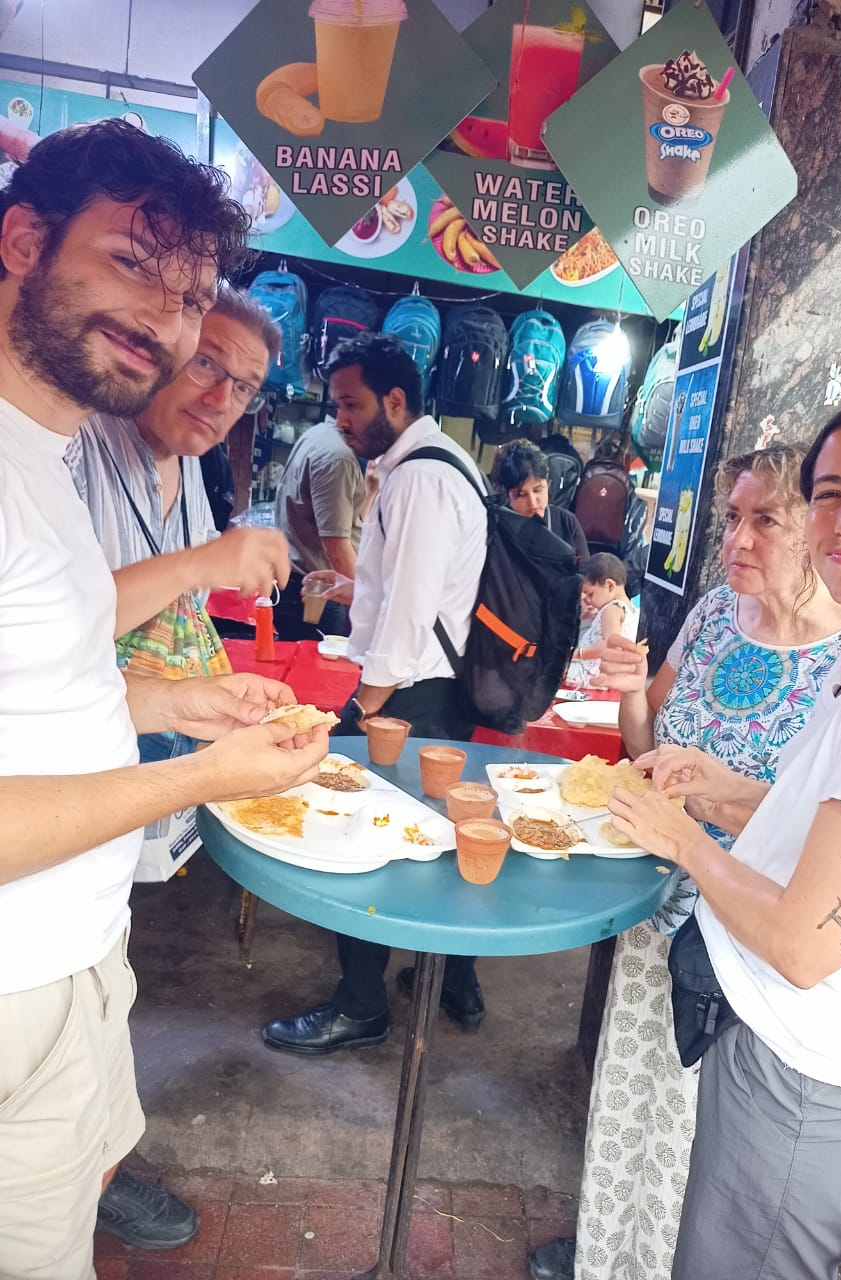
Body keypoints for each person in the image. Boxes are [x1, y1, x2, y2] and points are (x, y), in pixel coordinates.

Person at [0, 119, 332, 1280]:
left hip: (77, 956)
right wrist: (199, 775)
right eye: (132, 262)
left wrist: (177, 703)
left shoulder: (40, 454)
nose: (164, 320)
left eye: (189, 295)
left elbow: (41, 681)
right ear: (24, 241)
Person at [605, 398, 841, 1279]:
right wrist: (722, 789)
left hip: (801, 1072)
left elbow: (806, 945)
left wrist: (682, 839)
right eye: (831, 492)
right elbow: (820, 834)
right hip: (769, 1043)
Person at [529, 443, 841, 1280]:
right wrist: (631, 686)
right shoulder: (712, 614)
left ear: (817, 527)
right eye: (732, 518)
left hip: (744, 931)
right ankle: (607, 1254)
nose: (736, 539)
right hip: (654, 899)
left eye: (765, 520)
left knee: (692, 1124)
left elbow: (826, 828)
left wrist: (715, 799)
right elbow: (646, 746)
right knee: (630, 1088)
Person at [262, 333, 488, 1055]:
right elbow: (414, 589)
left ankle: (361, 1006)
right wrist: (354, 589)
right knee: (428, 835)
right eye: (335, 406)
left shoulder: (420, 478)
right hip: (432, 688)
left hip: (410, 695)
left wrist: (363, 705)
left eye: (351, 405)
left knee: (360, 834)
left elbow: (414, 609)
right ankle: (453, 982)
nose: (341, 420)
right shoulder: (441, 463)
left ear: (395, 400)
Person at [69, 284, 288, 865]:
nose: (220, 399)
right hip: (55, 776)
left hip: (143, 752)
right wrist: (201, 562)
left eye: (243, 388)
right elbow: (60, 629)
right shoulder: (78, 439)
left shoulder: (191, 466)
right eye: (207, 363)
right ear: (167, 347)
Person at [273, 414, 365, 639]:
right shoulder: (338, 457)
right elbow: (337, 548)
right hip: (316, 594)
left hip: (299, 586)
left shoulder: (317, 434)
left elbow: (353, 520)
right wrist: (365, 600)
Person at [492, 437, 589, 562]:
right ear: (507, 495)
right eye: (522, 494)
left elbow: (585, 571)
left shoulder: (567, 523)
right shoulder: (498, 530)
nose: (533, 502)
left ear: (548, 484)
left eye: (538, 490)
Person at [564, 552, 640, 687]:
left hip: (589, 673)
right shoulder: (630, 609)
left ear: (609, 586)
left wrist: (575, 654)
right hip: (603, 673)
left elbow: (608, 646)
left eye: (591, 594)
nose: (587, 600)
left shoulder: (612, 609)